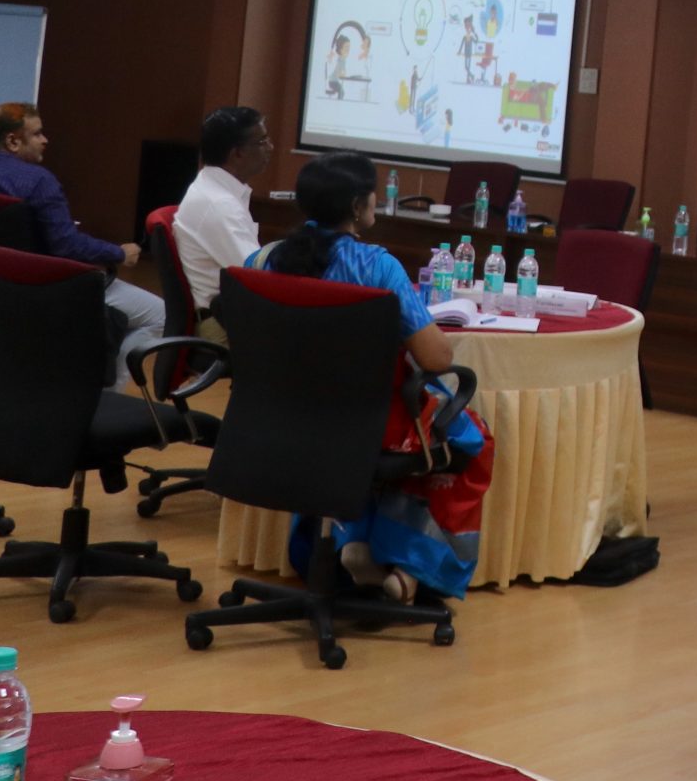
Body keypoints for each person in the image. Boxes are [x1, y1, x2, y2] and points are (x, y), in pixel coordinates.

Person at [246, 151, 490, 603]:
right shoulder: (377, 267)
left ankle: (352, 541)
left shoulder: (261, 259)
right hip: (365, 423)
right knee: (468, 437)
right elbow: (436, 357)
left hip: (279, 418)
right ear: (358, 206)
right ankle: (406, 565)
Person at [0, 103, 163, 369]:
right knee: (160, 315)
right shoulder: (38, 181)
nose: (45, 140)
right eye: (37, 133)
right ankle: (109, 392)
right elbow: (67, 246)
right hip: (40, 290)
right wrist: (119, 253)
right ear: (13, 141)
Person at [169, 105, 272, 342]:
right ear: (237, 153)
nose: (270, 147)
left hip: (231, 313)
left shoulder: (216, 190)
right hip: (223, 326)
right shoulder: (218, 204)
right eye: (262, 141)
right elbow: (256, 276)